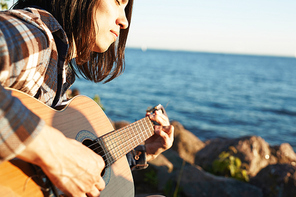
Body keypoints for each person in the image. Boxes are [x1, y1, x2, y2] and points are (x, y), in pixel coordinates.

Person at [0, 0, 174, 196]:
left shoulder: (58, 71)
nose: (124, 21)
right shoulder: (37, 37)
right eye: (117, 1)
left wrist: (141, 151)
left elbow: (78, 162)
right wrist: (55, 151)